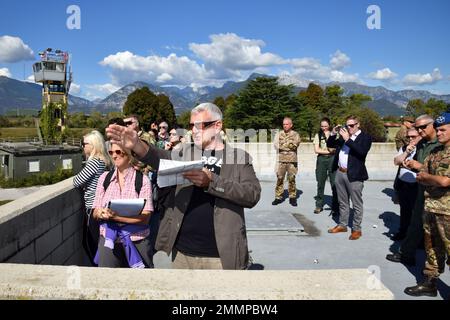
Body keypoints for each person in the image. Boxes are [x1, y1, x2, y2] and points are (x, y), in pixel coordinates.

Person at [106, 102, 261, 270]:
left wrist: (212, 182)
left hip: (221, 256)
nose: (193, 130)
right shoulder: (184, 152)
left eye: (200, 125)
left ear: (217, 126)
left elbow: (252, 194)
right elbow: (159, 158)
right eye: (191, 126)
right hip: (182, 253)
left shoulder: (238, 157)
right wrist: (137, 144)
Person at [404, 112, 450, 297]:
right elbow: (421, 173)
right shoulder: (435, 152)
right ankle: (430, 284)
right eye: (437, 130)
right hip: (431, 208)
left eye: (443, 130)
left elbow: (446, 181)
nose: (438, 133)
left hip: (448, 212)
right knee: (432, 249)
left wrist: (429, 178)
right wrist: (429, 177)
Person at [386, 115, 440, 265]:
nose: (420, 130)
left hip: (437, 194)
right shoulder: (421, 143)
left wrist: (418, 166)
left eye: (423, 127)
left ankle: (432, 267)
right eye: (418, 127)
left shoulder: (440, 144)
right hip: (421, 190)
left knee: (436, 230)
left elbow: (440, 172)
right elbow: (398, 161)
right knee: (415, 223)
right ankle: (407, 254)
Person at [91, 143, 154, 268]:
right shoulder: (104, 178)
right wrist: (100, 213)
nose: (114, 156)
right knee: (108, 283)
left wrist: (115, 218)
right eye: (111, 152)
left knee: (140, 283)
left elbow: (146, 217)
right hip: (109, 241)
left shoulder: (142, 180)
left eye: (118, 152)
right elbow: (95, 211)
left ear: (129, 154)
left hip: (137, 240)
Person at [327, 115, 372, 240]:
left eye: (352, 125)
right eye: (347, 125)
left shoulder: (365, 137)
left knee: (356, 203)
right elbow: (330, 144)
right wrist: (333, 133)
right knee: (342, 202)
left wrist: (348, 140)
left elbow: (361, 152)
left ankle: (357, 229)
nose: (349, 128)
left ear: (358, 124)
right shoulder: (344, 137)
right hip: (340, 173)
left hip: (355, 175)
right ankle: (342, 225)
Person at [73, 130, 112, 264]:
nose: (83, 146)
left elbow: (77, 181)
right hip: (101, 205)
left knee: (90, 242)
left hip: (92, 207)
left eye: (84, 143)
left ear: (93, 145)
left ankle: (99, 269)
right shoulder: (105, 161)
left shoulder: (94, 162)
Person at [390, 128, 421, 241]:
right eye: (408, 137)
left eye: (413, 136)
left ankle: (418, 239)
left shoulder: (423, 149)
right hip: (403, 184)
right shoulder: (405, 148)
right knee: (404, 211)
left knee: (416, 214)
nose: (410, 139)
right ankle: (403, 232)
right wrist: (407, 152)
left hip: (416, 185)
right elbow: (396, 161)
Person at [272, 117, 301, 206]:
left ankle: (292, 197)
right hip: (281, 161)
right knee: (280, 178)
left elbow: (295, 146)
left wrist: (283, 145)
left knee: (291, 179)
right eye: (284, 124)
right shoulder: (278, 134)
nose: (285, 126)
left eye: (287, 124)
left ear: (291, 125)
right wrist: (288, 146)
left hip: (292, 161)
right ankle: (278, 197)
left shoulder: (296, 134)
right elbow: (276, 145)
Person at [312, 117, 339, 214]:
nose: (324, 128)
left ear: (329, 125)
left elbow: (338, 148)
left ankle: (335, 207)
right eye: (322, 126)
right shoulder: (318, 135)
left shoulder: (335, 134)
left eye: (326, 126)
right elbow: (316, 150)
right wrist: (329, 151)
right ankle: (319, 205)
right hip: (322, 160)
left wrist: (332, 151)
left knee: (334, 184)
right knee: (320, 183)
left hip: (332, 159)